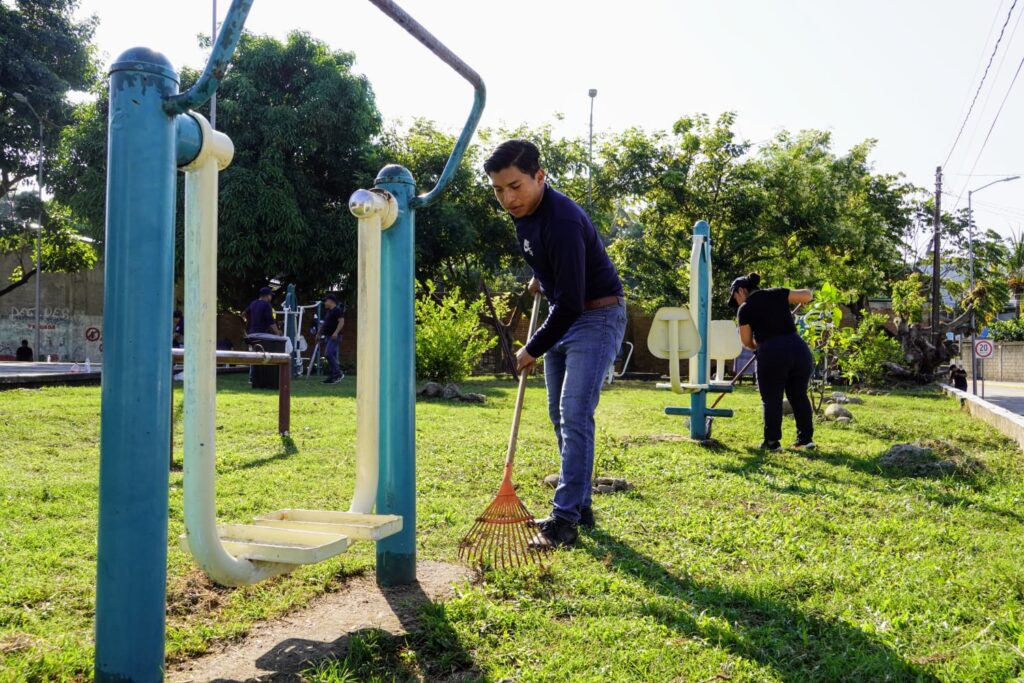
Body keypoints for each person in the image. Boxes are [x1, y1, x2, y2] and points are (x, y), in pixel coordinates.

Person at [485, 139, 627, 549]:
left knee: (574, 413)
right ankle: (580, 506)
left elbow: (570, 302)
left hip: (595, 316)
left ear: (539, 176)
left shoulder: (561, 218)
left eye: (515, 186)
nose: (508, 198)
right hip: (566, 313)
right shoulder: (525, 215)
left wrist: (531, 347)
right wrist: (542, 276)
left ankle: (563, 521)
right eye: (498, 190)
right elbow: (557, 266)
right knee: (558, 415)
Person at [730, 273, 815, 451]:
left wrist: (761, 346)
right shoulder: (776, 293)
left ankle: (772, 442)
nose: (736, 302)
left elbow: (746, 341)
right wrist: (800, 300)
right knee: (798, 395)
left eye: (735, 298)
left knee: (772, 398)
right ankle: (805, 440)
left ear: (741, 291)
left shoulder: (745, 308)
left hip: (772, 352)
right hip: (799, 349)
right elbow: (808, 295)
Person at [245, 286, 281, 383]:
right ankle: (263, 377)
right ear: (267, 296)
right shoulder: (267, 305)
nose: (271, 298)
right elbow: (271, 321)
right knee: (264, 355)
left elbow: (244, 313)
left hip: (251, 333)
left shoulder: (253, 303)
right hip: (261, 334)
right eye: (270, 296)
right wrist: (278, 333)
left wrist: (249, 323)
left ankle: (251, 378)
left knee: (254, 356)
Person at [318, 293, 345, 384]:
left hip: (334, 336)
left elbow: (341, 321)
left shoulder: (337, 310)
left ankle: (338, 373)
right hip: (328, 336)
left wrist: (336, 332)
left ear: (330, 301)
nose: (324, 303)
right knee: (331, 356)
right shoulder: (329, 312)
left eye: (325, 301)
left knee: (328, 353)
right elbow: (324, 324)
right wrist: (318, 334)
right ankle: (332, 377)